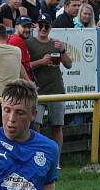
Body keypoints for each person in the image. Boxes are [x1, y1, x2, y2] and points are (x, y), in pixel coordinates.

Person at [27, 13, 71, 166]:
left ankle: (55, 162)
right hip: (37, 91)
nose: (43, 28)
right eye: (41, 25)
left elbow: (69, 65)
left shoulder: (56, 44)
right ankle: (38, 159)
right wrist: (41, 61)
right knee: (35, 126)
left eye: (46, 26)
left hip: (56, 89)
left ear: (50, 28)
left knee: (57, 126)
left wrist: (63, 50)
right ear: (36, 26)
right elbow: (25, 66)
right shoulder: (29, 43)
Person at [7, 15, 33, 79]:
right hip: (21, 83)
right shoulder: (17, 40)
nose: (27, 29)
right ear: (16, 27)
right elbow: (20, 66)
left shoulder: (15, 38)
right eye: (24, 26)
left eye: (29, 27)